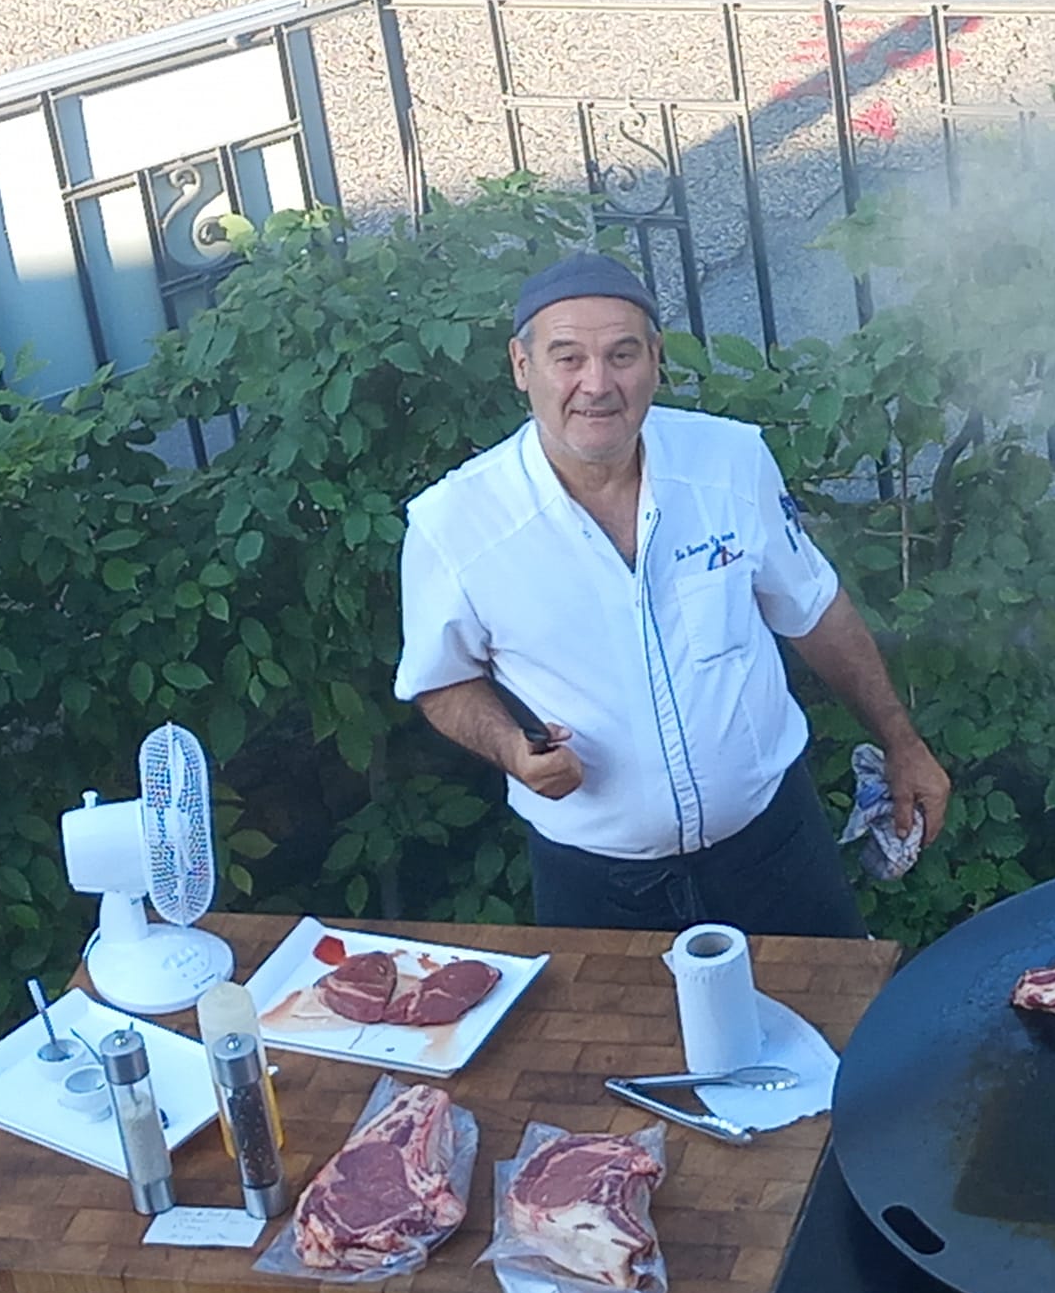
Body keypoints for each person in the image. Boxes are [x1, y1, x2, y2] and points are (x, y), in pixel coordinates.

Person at [393, 253, 950, 937]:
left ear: (656, 360)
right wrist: (511, 749)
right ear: (520, 366)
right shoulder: (454, 525)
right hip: (596, 882)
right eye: (567, 358)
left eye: (622, 355)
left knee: (836, 1038)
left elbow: (815, 609)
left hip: (776, 850)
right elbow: (442, 682)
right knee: (624, 1049)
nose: (596, 384)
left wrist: (902, 741)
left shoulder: (729, 461)